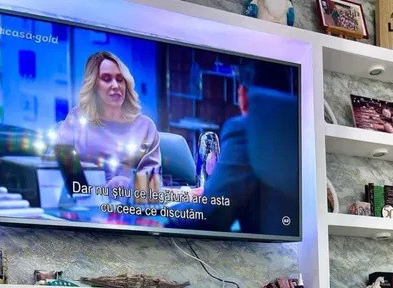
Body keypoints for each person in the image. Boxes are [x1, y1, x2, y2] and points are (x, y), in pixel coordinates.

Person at [167, 59, 299, 236]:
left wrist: (169, 208)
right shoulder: (300, 131)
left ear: (242, 95)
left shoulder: (246, 129)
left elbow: (211, 215)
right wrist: (212, 192)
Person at [56, 51, 161, 194]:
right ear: (93, 85)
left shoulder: (145, 127)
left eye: (120, 79)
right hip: (85, 201)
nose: (116, 85)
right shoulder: (77, 118)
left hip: (130, 204)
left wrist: (124, 187)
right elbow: (55, 168)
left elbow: (152, 185)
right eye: (106, 79)